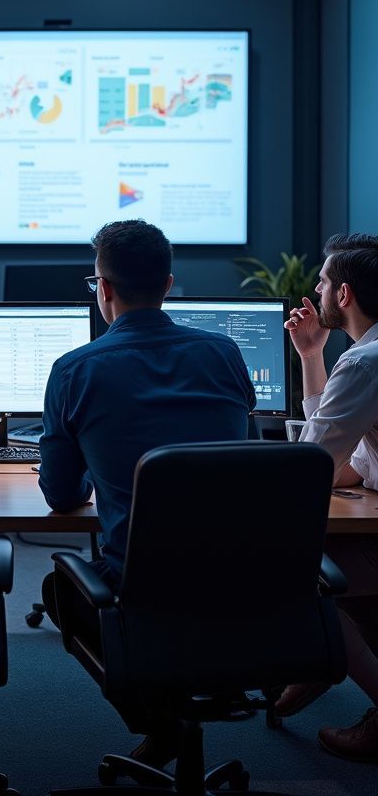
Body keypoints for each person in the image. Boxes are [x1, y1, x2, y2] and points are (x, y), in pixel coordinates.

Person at [37, 219, 256, 767]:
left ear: (104, 288)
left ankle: (160, 720)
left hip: (140, 583)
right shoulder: (225, 353)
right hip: (240, 579)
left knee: (59, 588)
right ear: (168, 284)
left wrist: (95, 471)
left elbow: (60, 494)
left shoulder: (75, 370)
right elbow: (241, 452)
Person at [271, 233, 378, 760]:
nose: (316, 290)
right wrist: (312, 355)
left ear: (344, 294)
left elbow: (311, 466)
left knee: (289, 570)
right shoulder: (367, 358)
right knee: (325, 557)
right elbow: (350, 466)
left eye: (323, 281)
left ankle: (323, 657)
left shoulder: (364, 364)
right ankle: (322, 656)